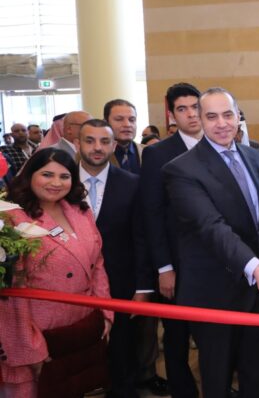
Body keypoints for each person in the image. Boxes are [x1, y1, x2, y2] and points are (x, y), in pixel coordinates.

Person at [164, 87, 259, 398]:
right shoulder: (181, 169)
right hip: (215, 293)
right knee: (217, 377)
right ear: (200, 119)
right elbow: (211, 227)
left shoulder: (255, 157)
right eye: (211, 116)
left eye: (228, 115)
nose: (221, 123)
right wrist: (255, 267)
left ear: (238, 116)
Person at [0, 148, 113, 397]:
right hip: (40, 332)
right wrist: (30, 346)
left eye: (64, 176)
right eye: (47, 174)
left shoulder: (80, 211)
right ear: (30, 175)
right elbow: (11, 294)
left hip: (82, 326)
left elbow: (97, 264)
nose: (56, 183)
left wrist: (105, 312)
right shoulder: (11, 219)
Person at [77, 119, 154, 398]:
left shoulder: (132, 183)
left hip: (121, 282)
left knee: (123, 351)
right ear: (77, 143)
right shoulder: (60, 181)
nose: (97, 147)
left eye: (104, 141)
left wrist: (143, 287)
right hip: (72, 286)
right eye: (90, 140)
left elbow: (142, 238)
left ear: (113, 145)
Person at [139, 83, 202, 398]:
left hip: (216, 263)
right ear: (172, 115)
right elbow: (151, 213)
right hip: (176, 263)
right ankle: (183, 391)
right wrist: (164, 267)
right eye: (182, 109)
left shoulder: (219, 144)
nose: (191, 114)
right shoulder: (157, 154)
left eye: (195, 106)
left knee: (213, 334)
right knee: (176, 336)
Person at [104, 100, 143, 174]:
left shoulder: (148, 152)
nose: (127, 124)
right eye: (119, 119)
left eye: (132, 120)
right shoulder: (96, 154)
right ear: (106, 123)